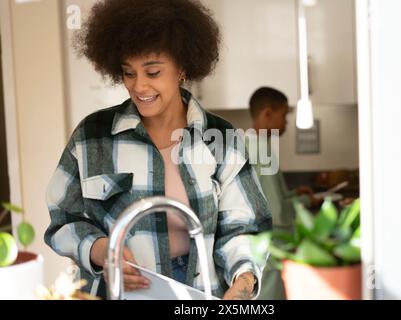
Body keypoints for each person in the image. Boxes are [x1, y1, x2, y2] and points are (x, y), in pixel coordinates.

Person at [45, 0, 271, 300]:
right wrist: (102, 251)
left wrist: (242, 285)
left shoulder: (222, 138)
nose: (139, 86)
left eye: (152, 72)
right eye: (128, 73)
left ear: (181, 68)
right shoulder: (92, 137)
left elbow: (246, 228)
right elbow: (63, 219)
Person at [245, 87, 321, 300]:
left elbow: (266, 198)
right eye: (284, 114)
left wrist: (293, 194)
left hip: (256, 249)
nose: (286, 121)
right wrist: (306, 201)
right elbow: (276, 212)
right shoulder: (263, 151)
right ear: (267, 113)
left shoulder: (249, 145)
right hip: (271, 250)